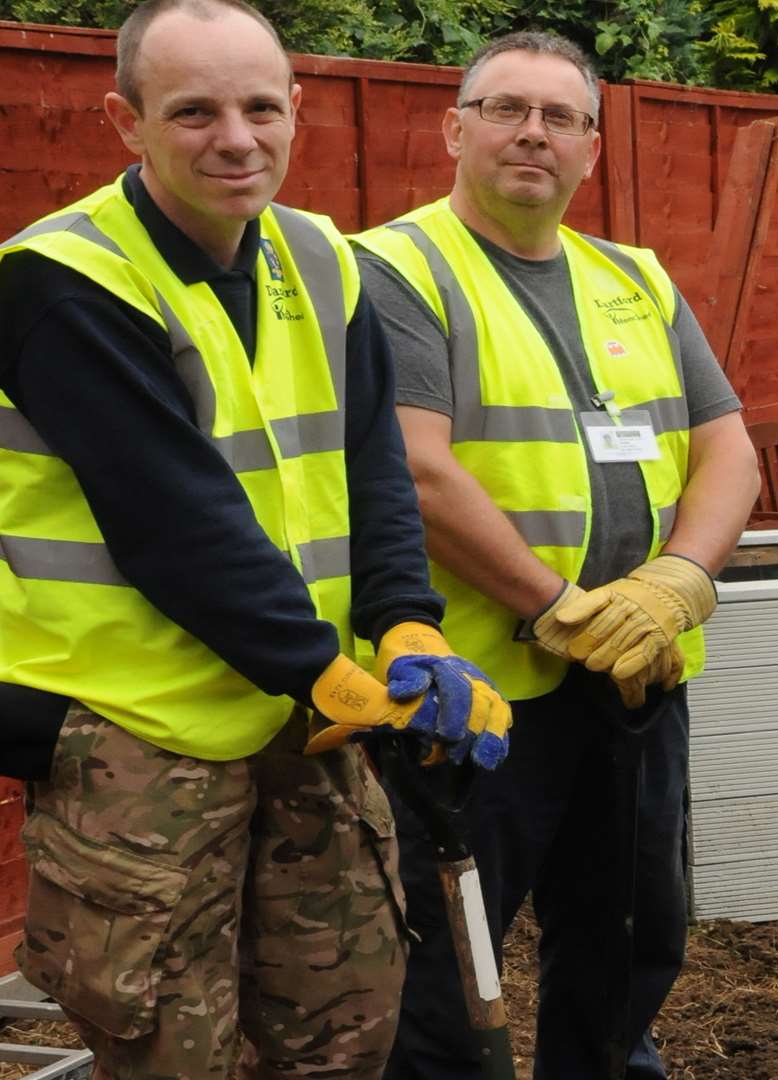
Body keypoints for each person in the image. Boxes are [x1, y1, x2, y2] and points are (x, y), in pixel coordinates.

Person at [0, 0, 515, 1075]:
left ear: (297, 110)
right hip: (136, 737)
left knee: (345, 1029)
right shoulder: (63, 281)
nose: (235, 138)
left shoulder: (321, 260)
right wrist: (322, 669)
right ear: (123, 121)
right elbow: (169, 522)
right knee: (171, 1051)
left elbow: (370, 464)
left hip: (304, 711)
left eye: (257, 107)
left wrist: (406, 623)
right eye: (192, 111)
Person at [351, 31, 759, 1080]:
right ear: (454, 129)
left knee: (632, 940)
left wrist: (681, 584)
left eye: (561, 117)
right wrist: (560, 609)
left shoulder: (636, 278)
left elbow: (728, 449)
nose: (533, 133)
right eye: (504, 109)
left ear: (592, 146)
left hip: (637, 682)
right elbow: (417, 469)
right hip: (471, 703)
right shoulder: (395, 269)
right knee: (448, 970)